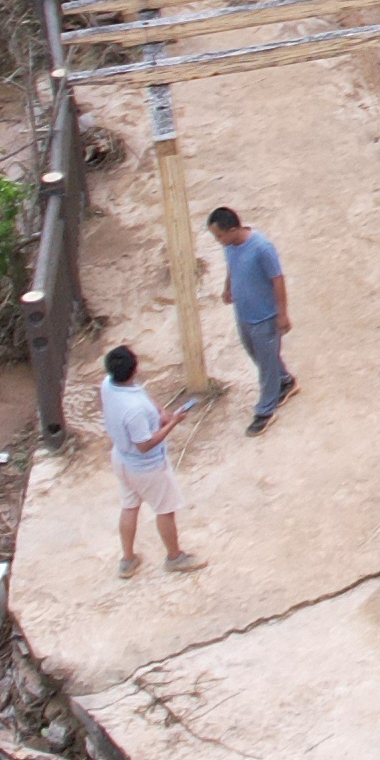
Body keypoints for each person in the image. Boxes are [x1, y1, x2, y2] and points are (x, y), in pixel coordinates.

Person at [99, 344, 201, 574]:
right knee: (165, 510)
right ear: (134, 370)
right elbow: (144, 444)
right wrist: (173, 422)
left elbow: (141, 393)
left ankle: (127, 560)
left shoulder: (108, 385)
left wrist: (161, 414)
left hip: (121, 459)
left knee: (129, 506)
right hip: (146, 468)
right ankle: (174, 558)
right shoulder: (134, 411)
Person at [208, 205, 295, 434]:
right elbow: (231, 267)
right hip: (244, 314)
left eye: (219, 235)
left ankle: (265, 410)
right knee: (258, 355)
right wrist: (228, 287)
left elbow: (278, 280)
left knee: (265, 367)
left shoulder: (262, 248)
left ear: (233, 229)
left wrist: (282, 314)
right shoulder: (230, 246)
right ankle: (285, 381)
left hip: (265, 317)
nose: (218, 241)